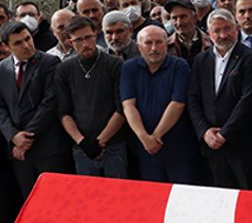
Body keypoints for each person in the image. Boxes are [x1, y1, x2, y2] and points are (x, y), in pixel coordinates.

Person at [188, 9, 252, 190]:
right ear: (209, 34)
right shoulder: (201, 60)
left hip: (242, 144)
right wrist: (205, 131)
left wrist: (225, 133)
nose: (223, 35)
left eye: (227, 29)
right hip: (212, 147)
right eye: (217, 31)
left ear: (236, 29)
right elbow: (193, 99)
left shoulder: (250, 57)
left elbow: (248, 100)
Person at [0, 21, 72, 198]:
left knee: (57, 201)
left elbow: (49, 104)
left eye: (28, 38)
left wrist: (27, 138)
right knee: (31, 202)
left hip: (49, 149)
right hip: (19, 154)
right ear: (6, 46)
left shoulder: (50, 62)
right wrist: (13, 136)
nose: (26, 45)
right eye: (18, 43)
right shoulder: (2, 69)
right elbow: (1, 108)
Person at [120, 25, 198, 184]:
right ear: (138, 47)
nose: (154, 48)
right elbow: (128, 105)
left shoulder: (179, 66)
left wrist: (156, 136)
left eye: (159, 42)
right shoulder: (129, 68)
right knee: (153, 198)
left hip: (178, 149)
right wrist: (144, 138)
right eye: (148, 43)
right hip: (145, 150)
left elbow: (177, 104)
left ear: (167, 44)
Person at [56, 16, 128, 178]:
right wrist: (81, 141)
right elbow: (63, 111)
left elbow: (122, 107)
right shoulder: (64, 69)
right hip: (81, 147)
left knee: (117, 196)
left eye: (88, 37)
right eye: (79, 40)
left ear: (96, 34)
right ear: (70, 42)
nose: (85, 44)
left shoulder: (115, 64)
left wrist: (101, 141)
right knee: (88, 198)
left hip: (113, 145)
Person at [165, 0, 211, 66]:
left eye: (183, 17)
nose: (179, 23)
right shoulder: (165, 46)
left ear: (195, 17)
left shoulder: (211, 42)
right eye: (174, 18)